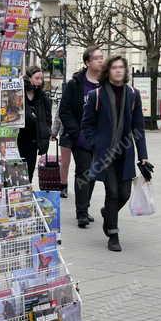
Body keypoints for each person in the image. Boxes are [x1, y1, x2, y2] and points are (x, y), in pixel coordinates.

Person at [81, 55, 150, 252]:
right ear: (108, 71)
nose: (118, 70)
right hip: (105, 154)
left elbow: (139, 128)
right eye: (114, 68)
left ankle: (107, 213)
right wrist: (95, 143)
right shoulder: (96, 95)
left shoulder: (132, 94)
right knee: (112, 192)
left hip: (125, 153)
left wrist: (143, 155)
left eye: (121, 67)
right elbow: (87, 125)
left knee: (125, 194)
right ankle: (113, 233)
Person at [60, 47, 105, 227]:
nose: (101, 61)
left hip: (100, 138)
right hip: (81, 138)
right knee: (83, 171)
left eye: (102, 58)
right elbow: (64, 111)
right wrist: (76, 133)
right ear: (87, 62)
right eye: (97, 58)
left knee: (93, 174)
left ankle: (85, 207)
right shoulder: (76, 84)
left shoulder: (105, 83)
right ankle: (81, 213)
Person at [17, 66, 52, 178]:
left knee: (29, 170)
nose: (40, 81)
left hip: (33, 139)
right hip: (19, 136)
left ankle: (27, 191)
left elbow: (48, 118)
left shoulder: (42, 96)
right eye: (37, 78)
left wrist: (46, 131)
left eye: (41, 79)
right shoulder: (19, 93)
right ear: (29, 78)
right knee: (17, 169)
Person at [50, 106, 69, 198]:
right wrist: (54, 132)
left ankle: (82, 187)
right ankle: (63, 186)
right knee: (65, 162)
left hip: (81, 134)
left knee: (82, 164)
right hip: (65, 133)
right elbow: (58, 116)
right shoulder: (66, 96)